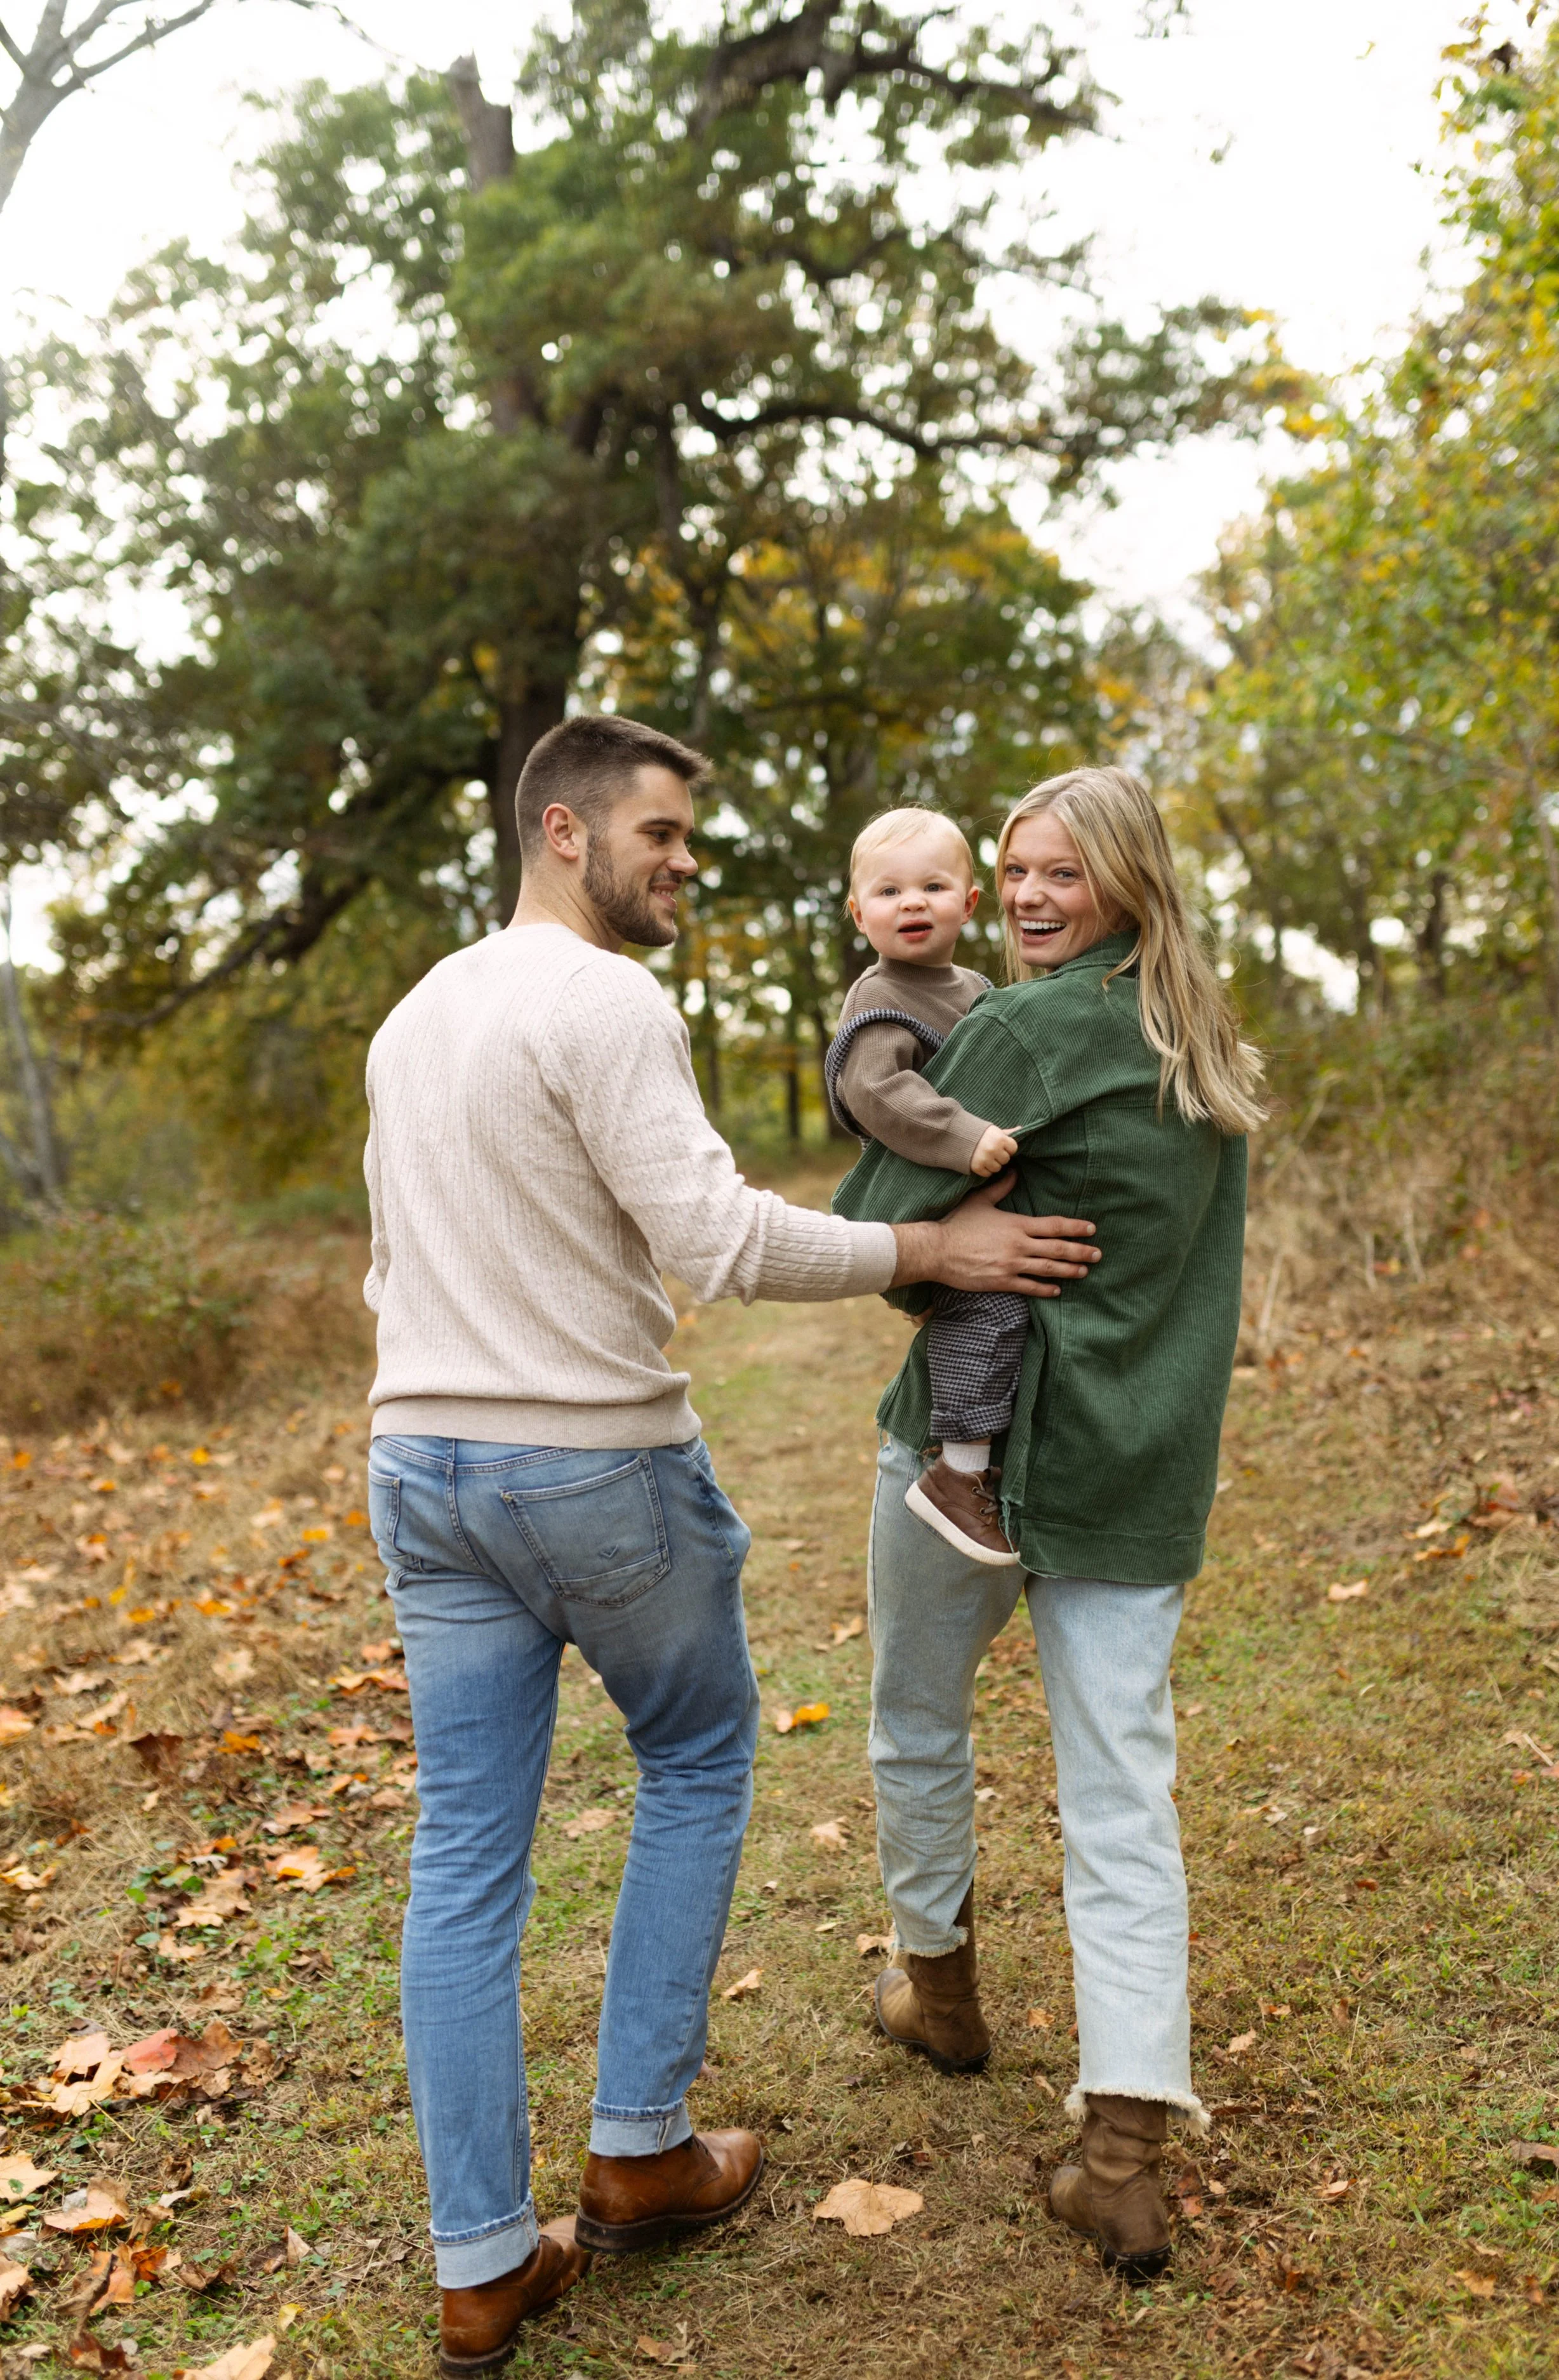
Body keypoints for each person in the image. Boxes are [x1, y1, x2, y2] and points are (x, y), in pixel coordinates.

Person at [361, 712, 1105, 2374]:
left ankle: (482, 2259)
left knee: (464, 1857)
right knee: (694, 1754)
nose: (684, 859)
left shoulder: (417, 1015)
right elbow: (711, 1236)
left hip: (416, 1462)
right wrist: (931, 1240)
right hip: (589, 1462)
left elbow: (388, 1263)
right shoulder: (607, 996)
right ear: (563, 831)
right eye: (659, 833)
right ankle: (639, 2147)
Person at [832, 765, 1264, 2282]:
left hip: (987, 1464)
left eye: (1059, 876)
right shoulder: (1202, 1045)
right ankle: (1124, 2152)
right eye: (1011, 870)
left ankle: (938, 1988)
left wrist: (962, 1245)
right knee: (1124, 1792)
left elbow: (881, 1236)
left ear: (1129, 882)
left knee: (914, 1713)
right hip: (1144, 1465)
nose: (1021, 897)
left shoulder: (1016, 1029)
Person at [825, 807, 1031, 1568]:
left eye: (932, 886)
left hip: (977, 1183)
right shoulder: (879, 998)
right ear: (859, 913)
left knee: (1016, 1307)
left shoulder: (976, 987)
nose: (911, 903)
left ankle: (997, 1448)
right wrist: (963, 1136)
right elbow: (875, 1092)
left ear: (970, 903)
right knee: (988, 1304)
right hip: (925, 1192)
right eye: (888, 892)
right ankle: (959, 1469)